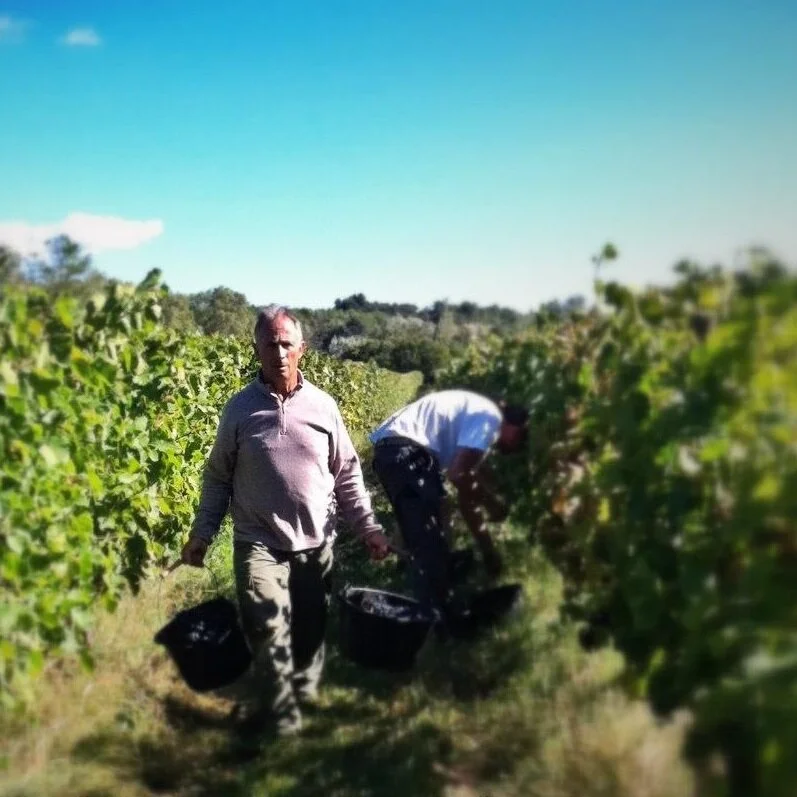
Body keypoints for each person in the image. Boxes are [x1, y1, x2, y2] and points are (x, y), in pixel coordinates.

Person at [181, 304, 391, 737]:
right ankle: (283, 717)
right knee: (266, 624)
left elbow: (347, 473)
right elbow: (218, 476)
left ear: (302, 349)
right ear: (256, 349)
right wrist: (203, 533)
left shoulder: (324, 407)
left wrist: (368, 527)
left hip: (316, 541)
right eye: (269, 345)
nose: (278, 353)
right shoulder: (239, 410)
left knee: (311, 626)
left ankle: (305, 687)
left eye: (286, 344)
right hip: (258, 540)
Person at [369, 389, 528, 619]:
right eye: (520, 439)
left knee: (439, 516)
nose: (516, 448)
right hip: (406, 451)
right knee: (430, 543)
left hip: (397, 450)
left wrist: (487, 549)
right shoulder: (490, 418)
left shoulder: (476, 424)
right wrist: (492, 504)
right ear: (514, 426)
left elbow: (467, 499)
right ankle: (436, 620)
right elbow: (459, 475)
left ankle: (426, 591)